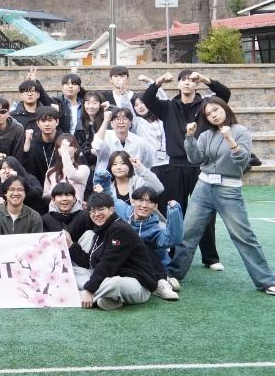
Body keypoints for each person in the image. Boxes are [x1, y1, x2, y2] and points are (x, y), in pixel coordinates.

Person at [168, 98, 275, 296]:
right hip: (203, 187)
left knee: (244, 236)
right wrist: (189, 138)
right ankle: (173, 274)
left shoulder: (240, 131)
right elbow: (195, 159)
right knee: (187, 234)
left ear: (225, 108)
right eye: (208, 114)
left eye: (216, 110)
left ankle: (266, 280)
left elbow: (242, 162)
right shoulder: (205, 134)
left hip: (229, 190)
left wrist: (230, 140)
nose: (213, 115)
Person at [143, 69, 231, 271]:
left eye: (191, 80)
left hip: (201, 166)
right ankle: (173, 254)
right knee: (175, 210)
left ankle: (210, 257)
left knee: (206, 212)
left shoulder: (206, 106)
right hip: (175, 165)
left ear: (196, 84)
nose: (187, 83)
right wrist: (159, 81)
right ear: (178, 84)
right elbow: (147, 99)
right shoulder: (167, 106)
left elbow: (225, 95)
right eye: (183, 79)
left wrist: (205, 78)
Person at [67, 192, 162, 310]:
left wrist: (89, 290)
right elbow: (90, 262)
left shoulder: (120, 229)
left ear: (111, 210)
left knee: (113, 284)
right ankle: (107, 299)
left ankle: (83, 295)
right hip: (109, 277)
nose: (96, 214)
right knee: (71, 272)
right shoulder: (101, 229)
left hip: (136, 283)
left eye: (100, 209)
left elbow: (108, 264)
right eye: (92, 211)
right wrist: (71, 245)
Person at [111, 187, 183, 271]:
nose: (144, 205)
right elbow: (109, 198)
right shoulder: (122, 210)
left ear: (155, 206)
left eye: (150, 202)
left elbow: (173, 240)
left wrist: (174, 211)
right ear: (133, 201)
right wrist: (102, 181)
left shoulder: (157, 229)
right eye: (141, 200)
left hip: (152, 270)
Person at [92, 107, 155, 172]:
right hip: (106, 176)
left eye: (125, 119)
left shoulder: (140, 142)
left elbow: (147, 164)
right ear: (111, 123)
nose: (121, 122)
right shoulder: (103, 136)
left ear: (130, 123)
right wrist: (105, 120)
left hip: (132, 177)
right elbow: (96, 146)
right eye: (117, 119)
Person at [92, 151, 164, 205]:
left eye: (123, 163)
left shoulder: (139, 182)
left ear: (129, 166)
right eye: (114, 164)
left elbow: (158, 188)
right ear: (110, 167)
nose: (119, 167)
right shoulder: (107, 186)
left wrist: (140, 168)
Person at [11, 68, 67, 133]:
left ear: (38, 95)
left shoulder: (47, 112)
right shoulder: (13, 116)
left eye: (32, 91)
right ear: (21, 95)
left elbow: (48, 101)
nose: (30, 94)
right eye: (26, 91)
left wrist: (35, 81)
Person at [42, 133, 90, 205]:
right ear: (58, 151)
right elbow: (44, 196)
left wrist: (65, 153)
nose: (65, 148)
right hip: (55, 209)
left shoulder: (83, 169)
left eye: (69, 146)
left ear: (76, 149)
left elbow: (71, 175)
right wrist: (54, 192)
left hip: (75, 209)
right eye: (62, 146)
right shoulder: (51, 172)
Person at [20, 106, 62, 184]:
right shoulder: (33, 142)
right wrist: (26, 149)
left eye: (50, 120)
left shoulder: (64, 141)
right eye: (43, 121)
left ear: (57, 122)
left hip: (60, 185)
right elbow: (28, 170)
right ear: (38, 123)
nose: (47, 124)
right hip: (38, 185)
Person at [57, 72, 86, 137]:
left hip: (81, 140)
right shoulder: (56, 102)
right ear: (62, 88)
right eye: (67, 84)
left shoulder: (85, 104)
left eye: (74, 84)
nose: (70, 86)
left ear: (79, 88)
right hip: (61, 139)